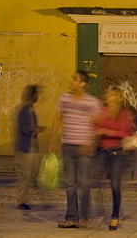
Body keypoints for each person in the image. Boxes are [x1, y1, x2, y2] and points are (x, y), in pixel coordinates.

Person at [50, 70, 102, 229]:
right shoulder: (64, 98)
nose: (71, 81)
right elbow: (58, 118)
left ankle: (84, 217)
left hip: (83, 147)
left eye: (75, 79)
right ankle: (71, 217)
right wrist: (52, 139)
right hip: (68, 146)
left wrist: (90, 144)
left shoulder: (91, 102)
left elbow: (98, 124)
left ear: (82, 83)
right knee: (69, 183)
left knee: (84, 183)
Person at [95, 87, 137, 231]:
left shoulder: (125, 114)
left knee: (115, 185)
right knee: (95, 183)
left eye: (112, 95)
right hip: (102, 151)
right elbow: (95, 126)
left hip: (117, 153)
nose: (108, 97)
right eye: (107, 94)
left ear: (119, 97)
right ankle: (100, 212)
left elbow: (125, 132)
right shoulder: (102, 111)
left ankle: (115, 216)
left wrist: (105, 131)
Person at [14, 84, 44, 211]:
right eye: (36, 94)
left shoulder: (30, 110)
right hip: (25, 148)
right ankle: (21, 200)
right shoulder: (25, 110)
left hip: (30, 148)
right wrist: (36, 129)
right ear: (33, 95)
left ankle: (25, 198)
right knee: (25, 176)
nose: (38, 96)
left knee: (30, 176)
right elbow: (25, 128)